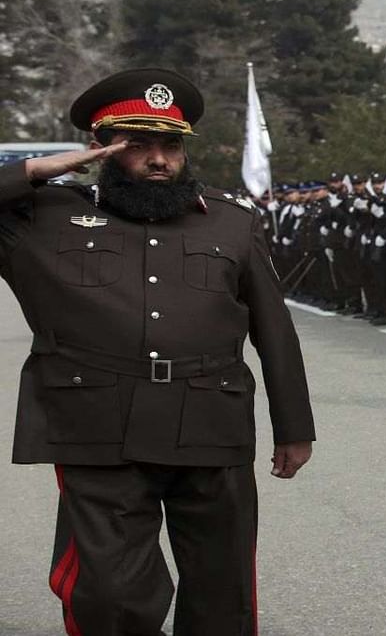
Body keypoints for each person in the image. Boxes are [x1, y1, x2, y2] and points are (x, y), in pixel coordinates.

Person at [0, 68, 315, 633]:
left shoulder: (231, 222)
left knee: (222, 591)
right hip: (98, 428)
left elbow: (275, 329)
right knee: (110, 594)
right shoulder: (44, 218)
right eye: (137, 145)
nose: (158, 160)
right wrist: (37, 170)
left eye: (171, 146)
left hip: (211, 423)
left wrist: (294, 426)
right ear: (100, 147)